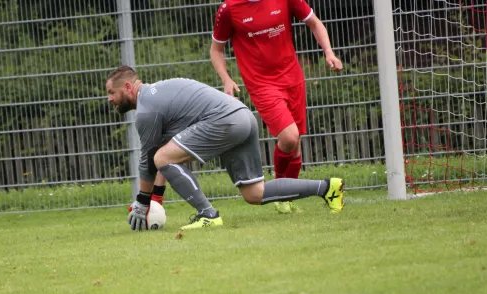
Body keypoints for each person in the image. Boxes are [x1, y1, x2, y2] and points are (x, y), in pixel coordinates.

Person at [105, 66, 344, 231]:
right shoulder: (157, 95)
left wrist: (142, 203)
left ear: (127, 87)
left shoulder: (147, 111)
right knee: (254, 194)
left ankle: (208, 215)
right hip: (242, 116)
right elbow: (163, 156)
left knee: (162, 157)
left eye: (111, 92)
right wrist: (154, 198)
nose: (109, 98)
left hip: (225, 120)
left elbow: (150, 161)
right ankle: (327, 188)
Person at [210, 0, 343, 214]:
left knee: (295, 142)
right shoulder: (229, 9)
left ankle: (287, 198)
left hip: (293, 78)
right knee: (289, 137)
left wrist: (328, 52)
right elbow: (216, 50)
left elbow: (315, 23)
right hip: (261, 83)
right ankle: (280, 191)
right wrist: (226, 79)